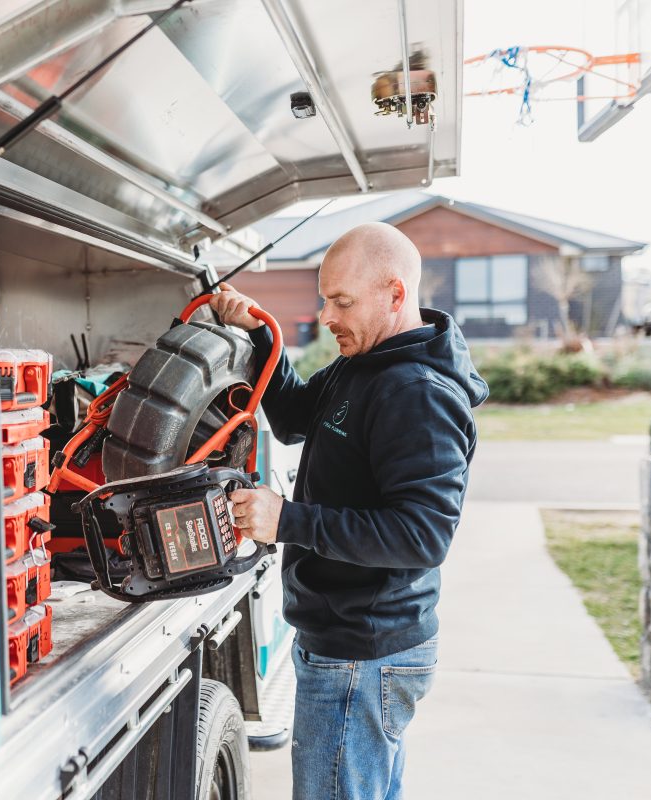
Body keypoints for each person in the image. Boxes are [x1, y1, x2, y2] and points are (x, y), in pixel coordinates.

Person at [209, 222, 488, 800]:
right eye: (324, 299)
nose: (328, 316)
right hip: (356, 645)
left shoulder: (416, 392)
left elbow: (422, 535)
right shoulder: (363, 363)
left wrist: (288, 521)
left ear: (394, 294)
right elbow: (290, 418)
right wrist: (263, 336)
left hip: (365, 653)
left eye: (342, 301)